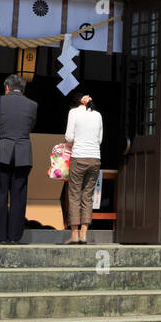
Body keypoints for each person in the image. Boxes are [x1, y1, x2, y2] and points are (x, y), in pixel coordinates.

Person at [0, 74, 38, 244]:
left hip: (1, 154)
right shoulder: (33, 105)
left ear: (7, 87)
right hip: (23, 155)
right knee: (18, 197)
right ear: (23, 89)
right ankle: (14, 236)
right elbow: (31, 126)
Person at [62, 92, 103, 244]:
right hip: (95, 159)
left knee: (74, 195)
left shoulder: (73, 113)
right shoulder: (98, 115)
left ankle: (74, 234)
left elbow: (69, 137)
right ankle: (84, 234)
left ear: (74, 104)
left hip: (79, 157)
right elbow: (99, 139)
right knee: (87, 196)